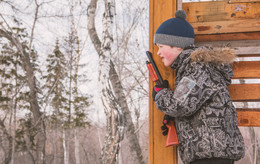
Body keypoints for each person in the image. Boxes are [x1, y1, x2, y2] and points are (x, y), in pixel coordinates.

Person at [152, 10, 245, 164]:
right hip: (211, 154)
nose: (158, 52)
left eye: (161, 46)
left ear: (177, 46)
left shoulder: (197, 67)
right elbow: (192, 105)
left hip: (211, 156)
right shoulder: (194, 68)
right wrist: (174, 118)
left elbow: (180, 105)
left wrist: (161, 94)